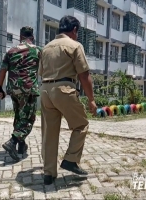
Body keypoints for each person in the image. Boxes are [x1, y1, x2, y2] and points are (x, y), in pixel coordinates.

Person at [39, 16, 97, 185]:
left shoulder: (46, 48)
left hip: (45, 90)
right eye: (77, 32)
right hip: (64, 89)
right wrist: (91, 100)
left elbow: (41, 73)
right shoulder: (74, 45)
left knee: (49, 133)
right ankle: (71, 159)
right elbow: (84, 75)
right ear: (74, 30)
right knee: (81, 124)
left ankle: (48, 173)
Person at [0, 26, 42, 161]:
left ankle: (21, 145)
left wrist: (0, 88)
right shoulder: (38, 50)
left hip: (14, 89)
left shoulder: (11, 51)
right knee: (28, 119)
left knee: (19, 117)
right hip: (28, 89)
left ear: (20, 37)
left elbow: (2, 70)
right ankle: (12, 142)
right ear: (32, 37)